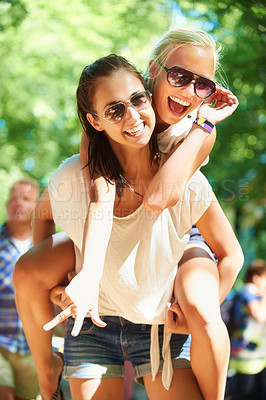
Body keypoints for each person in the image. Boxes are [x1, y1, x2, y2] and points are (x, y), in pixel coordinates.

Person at [14, 52, 243, 400]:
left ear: (149, 95)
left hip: (158, 327)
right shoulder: (73, 177)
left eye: (138, 100)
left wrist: (197, 317)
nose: (133, 116)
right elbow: (48, 214)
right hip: (96, 323)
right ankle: (48, 378)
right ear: (95, 121)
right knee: (27, 269)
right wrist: (62, 285)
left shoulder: (184, 179)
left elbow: (229, 253)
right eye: (115, 110)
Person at [0, 178, 40, 400]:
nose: (18, 203)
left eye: (26, 199)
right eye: (14, 198)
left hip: (30, 345)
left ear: (35, 207)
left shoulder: (45, 246)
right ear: (6, 205)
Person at [225, 260, 266, 400]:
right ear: (256, 277)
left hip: (254, 357)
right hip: (244, 356)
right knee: (242, 392)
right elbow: (259, 316)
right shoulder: (247, 293)